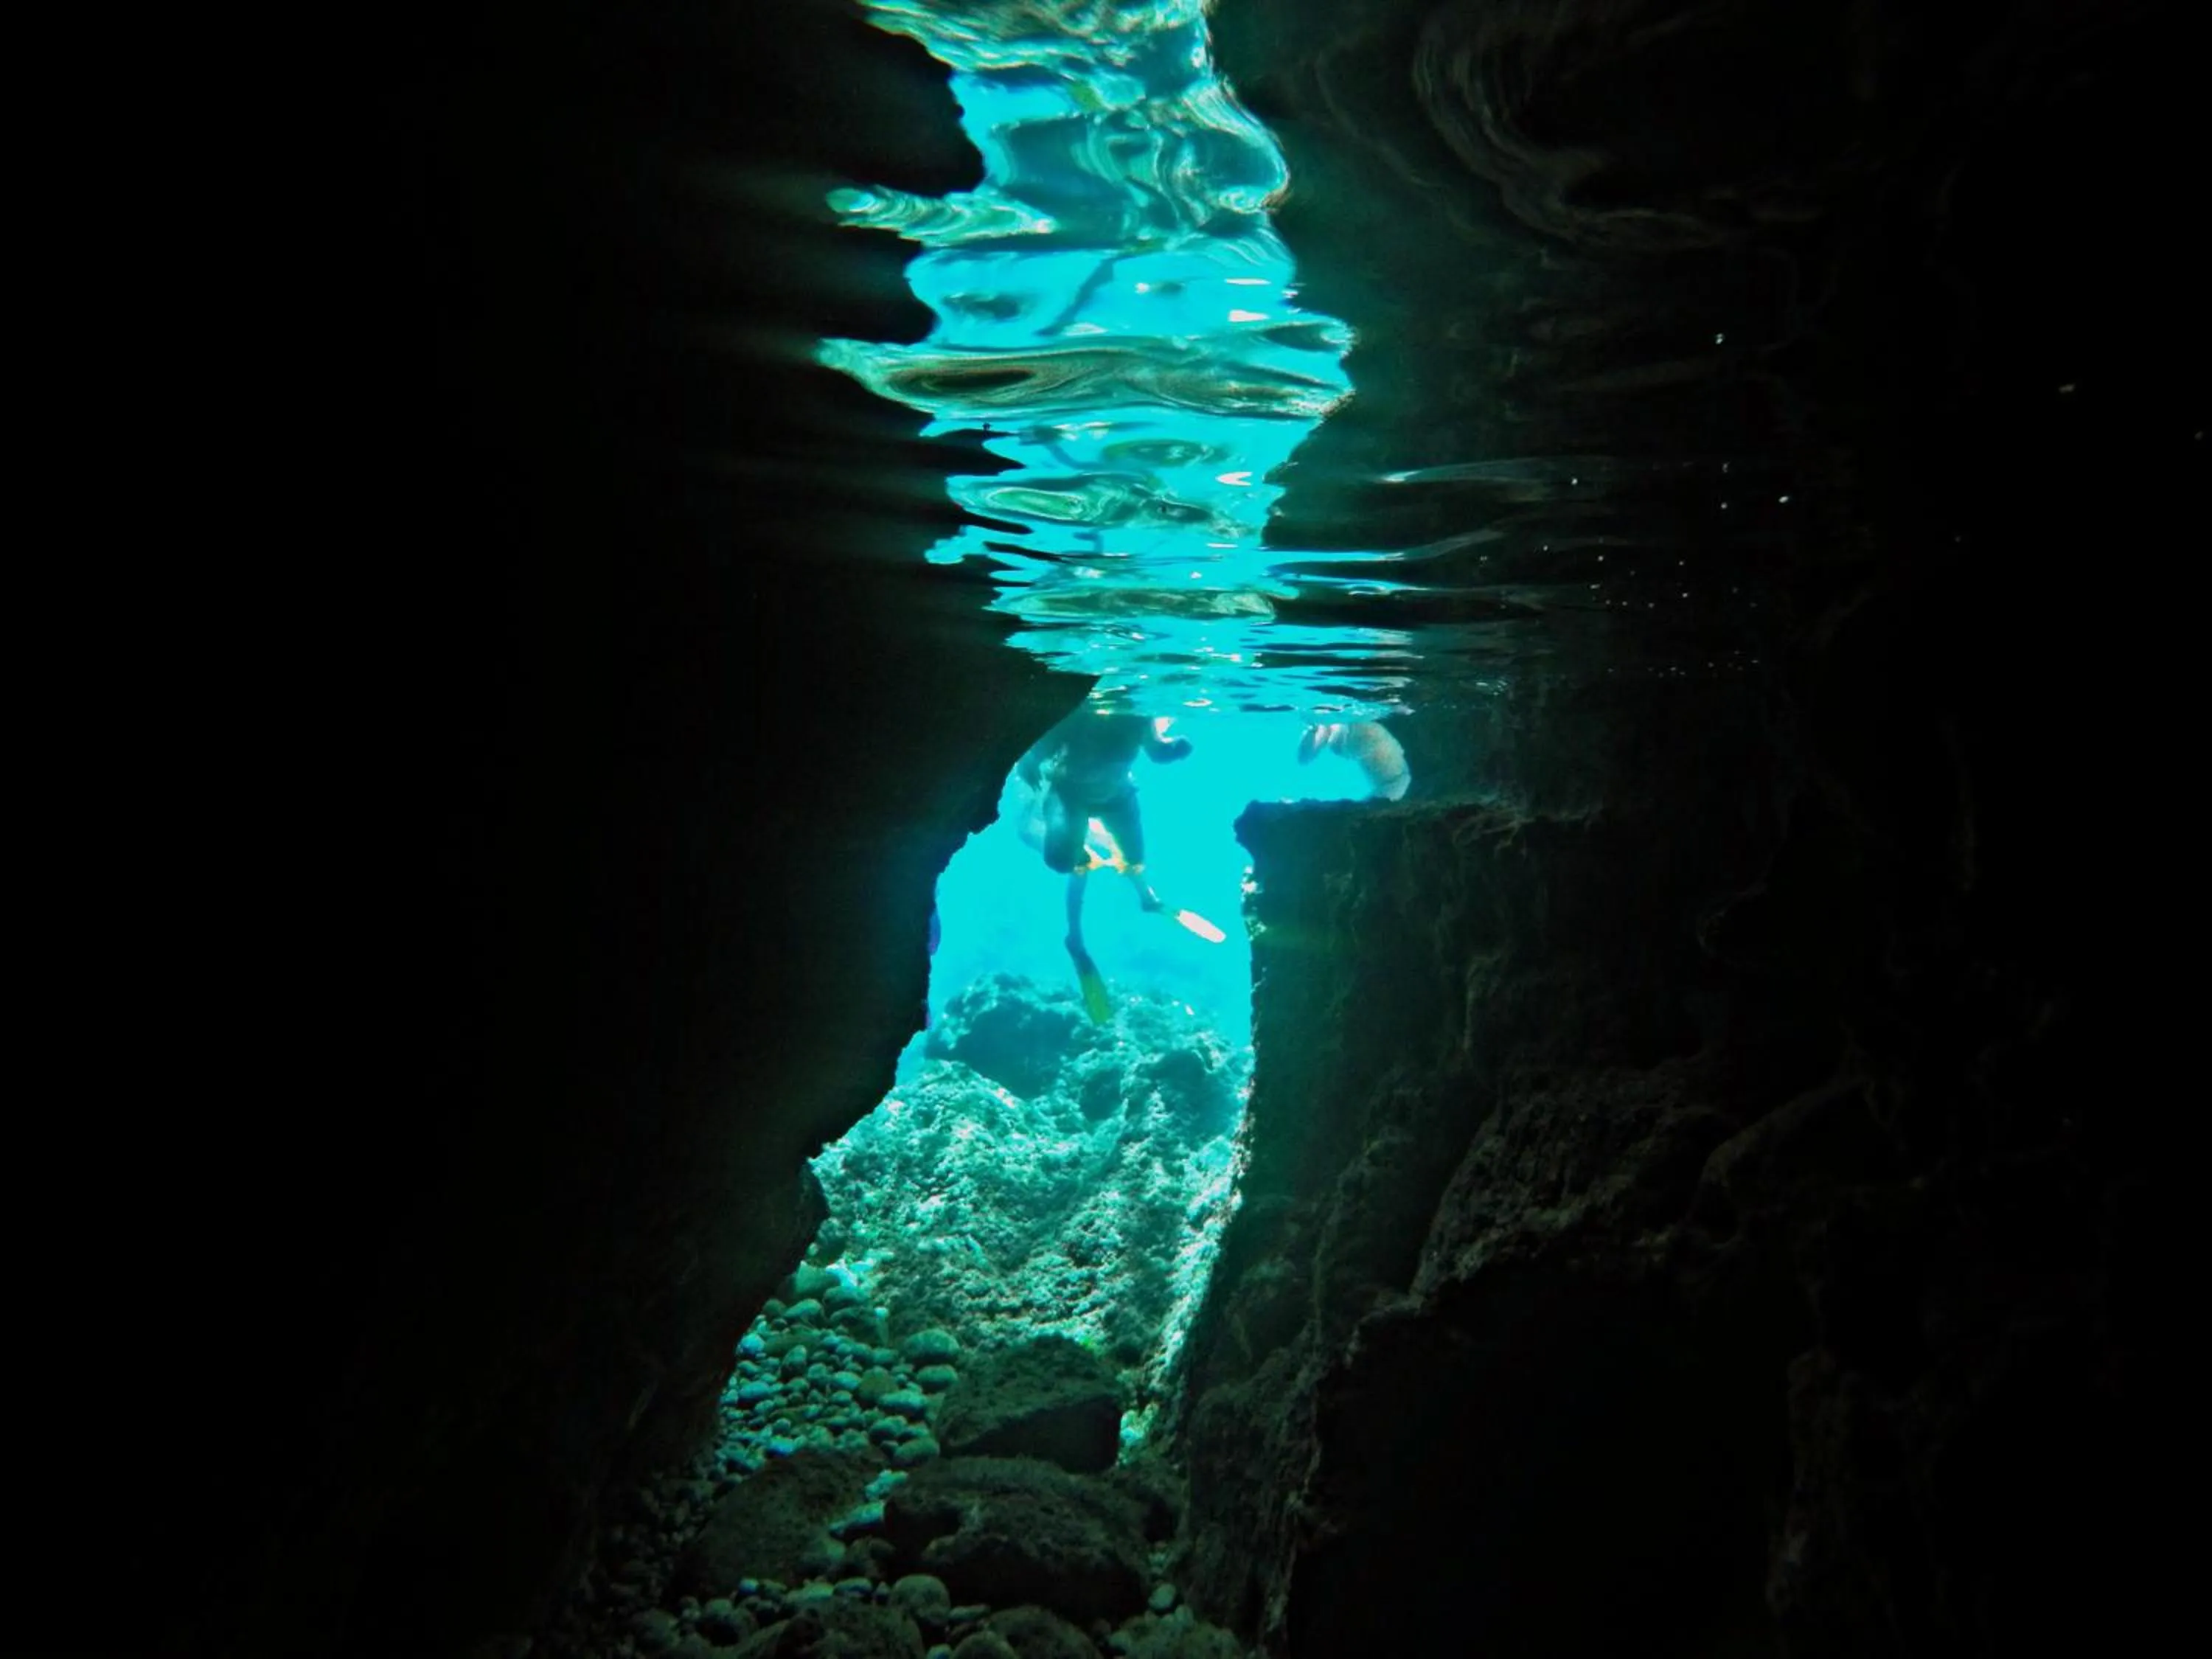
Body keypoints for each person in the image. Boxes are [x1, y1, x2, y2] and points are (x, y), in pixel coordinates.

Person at [1012, 705, 1204, 1022]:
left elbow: (1157, 751)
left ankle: (1146, 898)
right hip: (1069, 797)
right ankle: (1076, 931)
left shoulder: (1139, 715)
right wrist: (1028, 765)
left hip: (1117, 796)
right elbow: (1033, 756)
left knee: (1132, 857)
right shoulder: (1077, 716)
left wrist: (1176, 749)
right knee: (1069, 859)